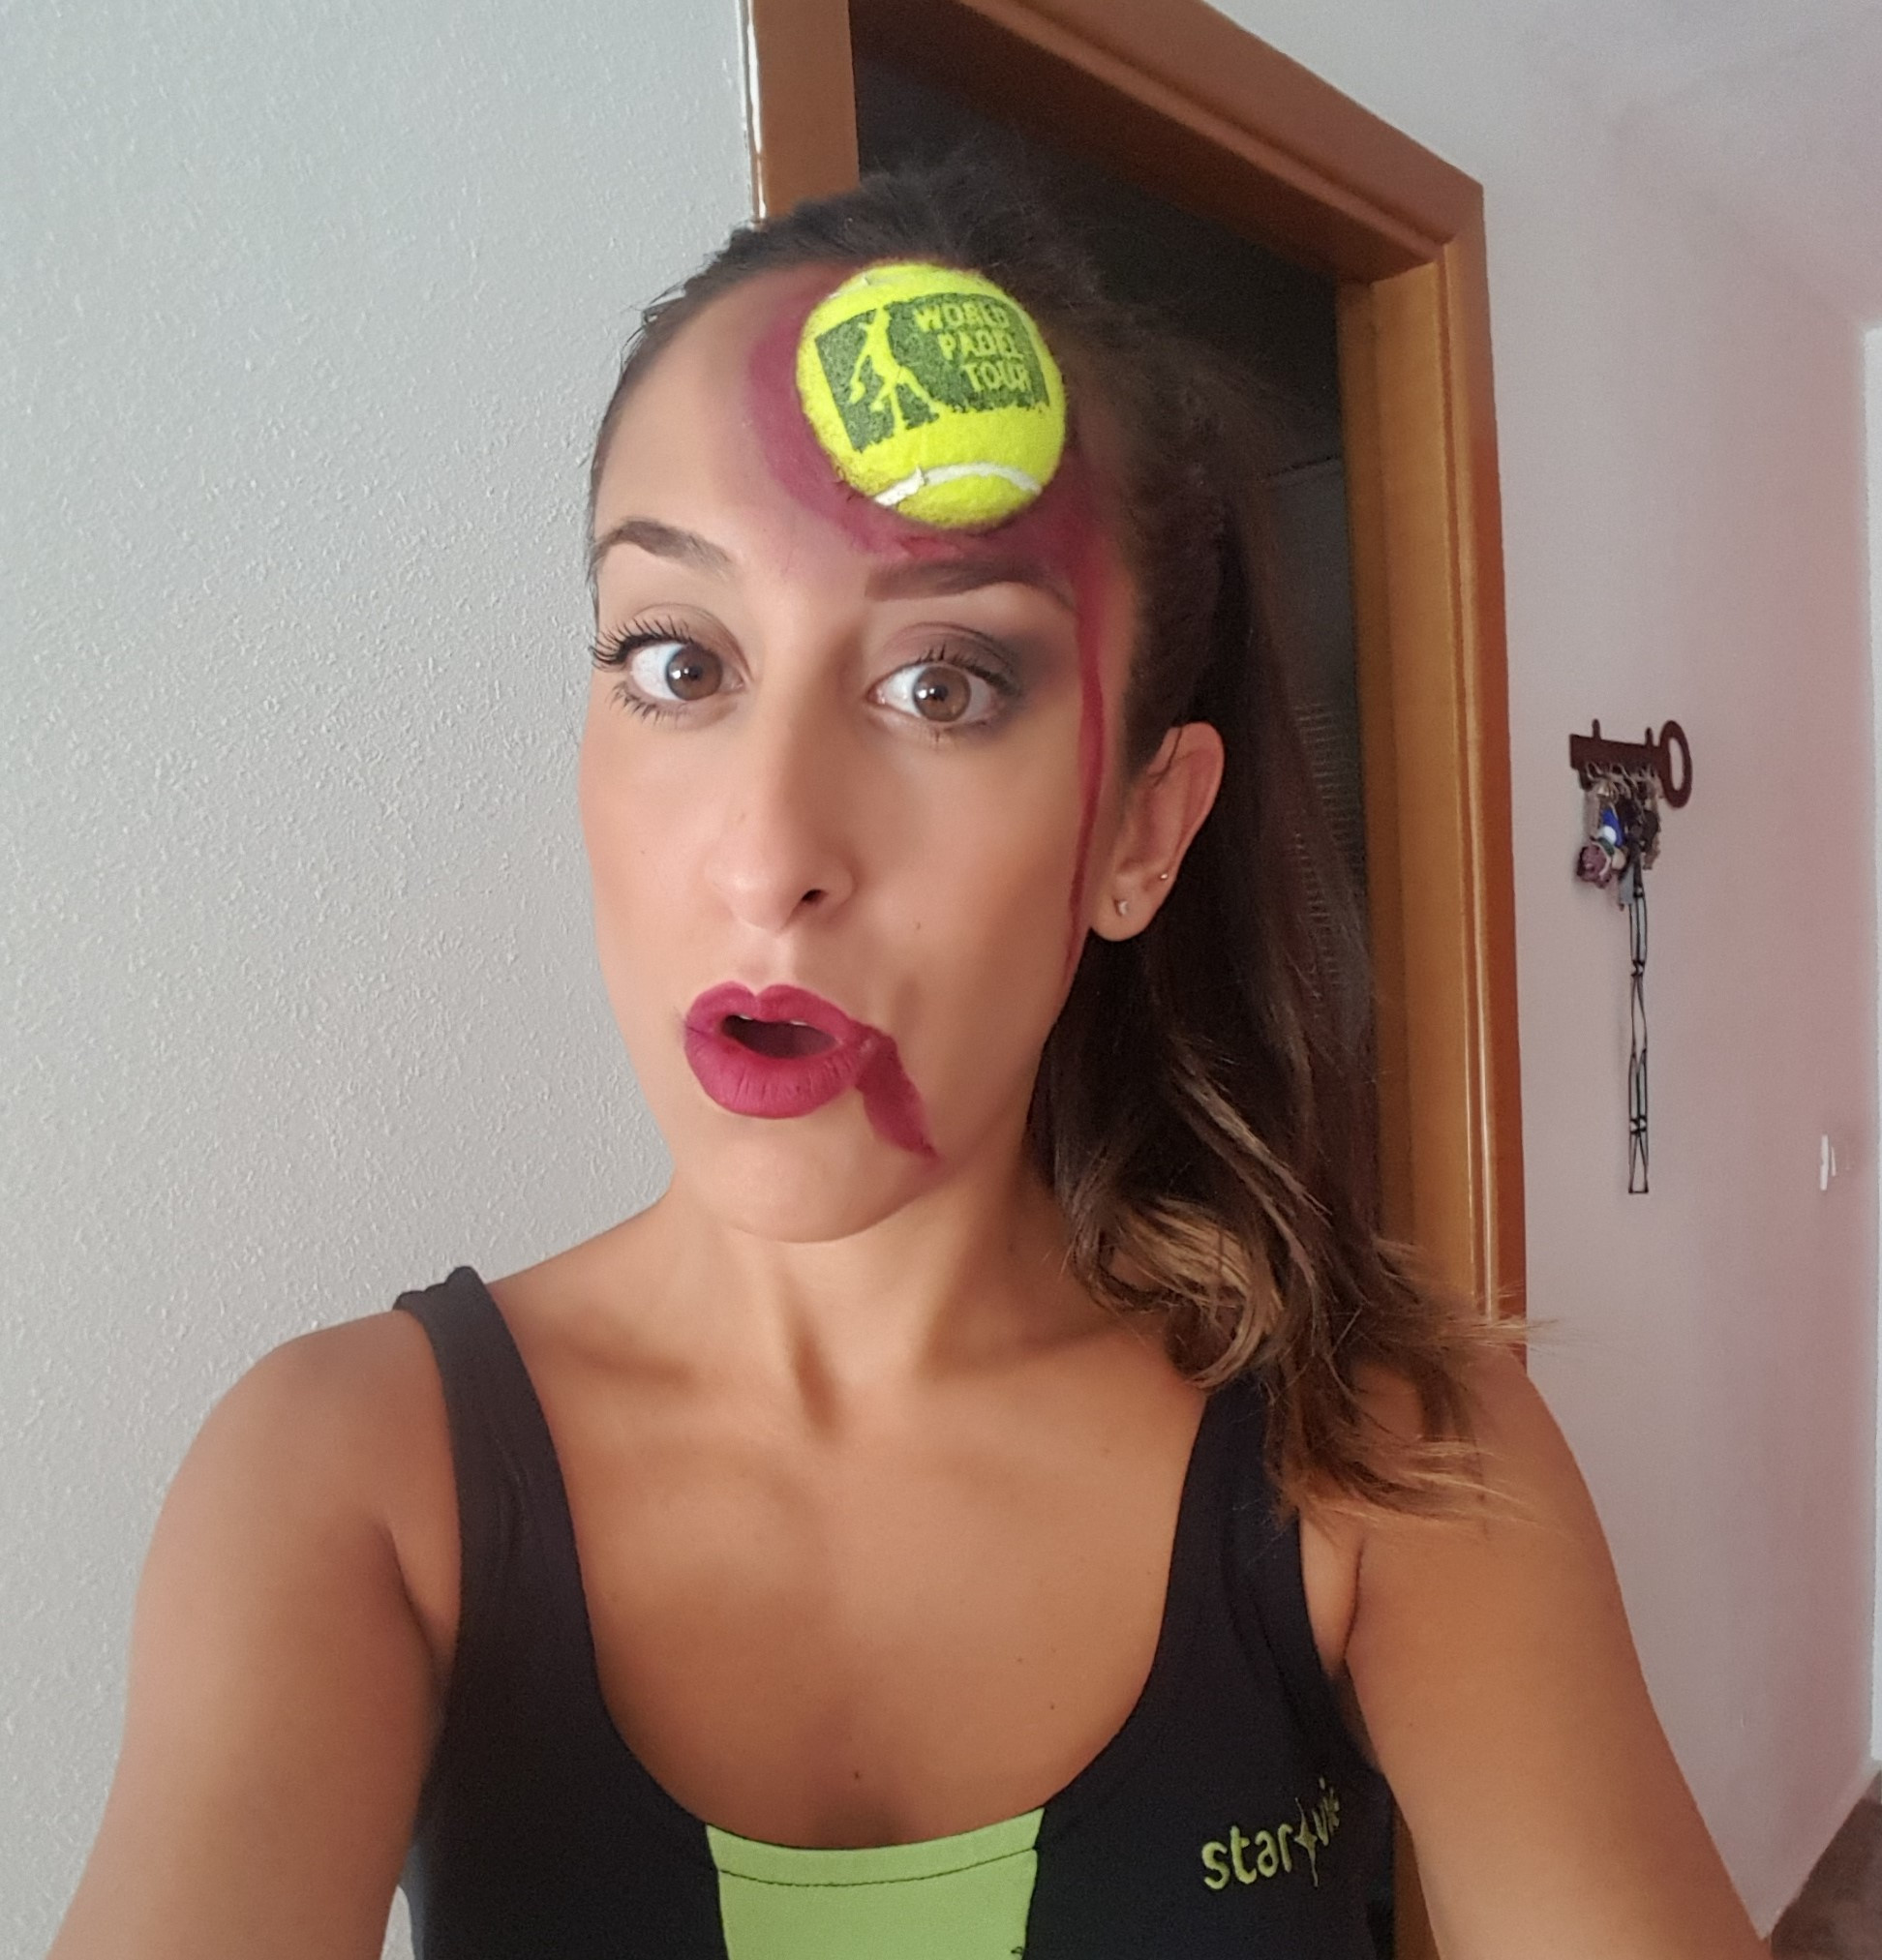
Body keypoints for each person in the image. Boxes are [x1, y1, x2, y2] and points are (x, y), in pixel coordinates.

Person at [49, 165, 1767, 1960]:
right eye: (678, 659)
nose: (770, 853)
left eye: (944, 684)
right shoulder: (347, 1480)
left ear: (1143, 832)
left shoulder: (1378, 1458)